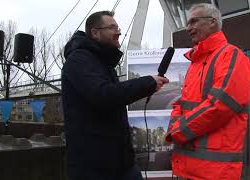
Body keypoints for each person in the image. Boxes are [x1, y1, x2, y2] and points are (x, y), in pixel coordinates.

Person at [61, 11, 169, 180]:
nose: (119, 32)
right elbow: (104, 94)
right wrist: (148, 83)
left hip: (121, 163)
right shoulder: (79, 60)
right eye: (112, 27)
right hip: (94, 168)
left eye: (117, 27)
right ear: (95, 33)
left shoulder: (102, 62)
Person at [165, 3, 250, 180]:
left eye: (193, 22)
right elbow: (182, 103)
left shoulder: (231, 56)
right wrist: (175, 127)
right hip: (189, 165)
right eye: (187, 23)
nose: (188, 28)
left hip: (215, 171)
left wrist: (178, 131)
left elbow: (220, 106)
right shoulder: (196, 62)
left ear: (212, 22)